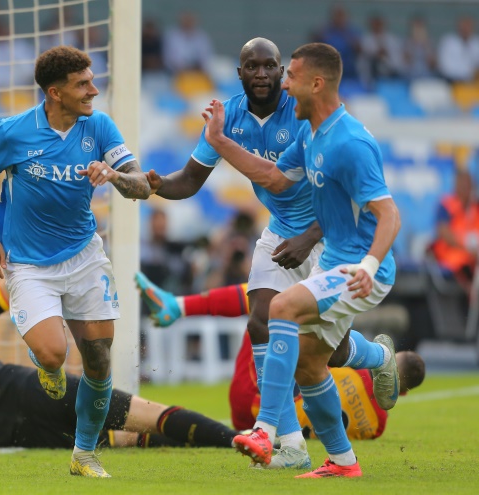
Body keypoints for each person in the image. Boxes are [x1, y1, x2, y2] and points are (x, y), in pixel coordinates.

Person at [141, 38, 397, 471]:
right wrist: (218, 141)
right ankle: (340, 459)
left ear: (313, 83)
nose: (280, 84)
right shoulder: (312, 134)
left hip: (357, 264)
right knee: (314, 363)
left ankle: (266, 429)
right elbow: (274, 179)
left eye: (287, 75)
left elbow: (388, 213)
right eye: (261, 70)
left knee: (281, 308)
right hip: (323, 249)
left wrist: (369, 265)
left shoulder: (350, 142)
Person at [0, 46, 150, 478]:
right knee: (52, 354)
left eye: (91, 80)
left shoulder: (99, 126)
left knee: (99, 358)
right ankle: (46, 366)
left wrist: (115, 176)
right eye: (82, 84)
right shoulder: (13, 132)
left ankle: (84, 453)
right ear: (55, 93)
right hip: (29, 264)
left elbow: (141, 186)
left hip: (85, 256)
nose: (93, 90)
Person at [0, 274, 241, 452]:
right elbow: (11, 288)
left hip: (1, 436)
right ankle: (238, 441)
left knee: (121, 440)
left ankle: (220, 442)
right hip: (27, 391)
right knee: (144, 415)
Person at [133, 273, 426, 438]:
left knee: (270, 298)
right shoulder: (377, 427)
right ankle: (339, 459)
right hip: (253, 421)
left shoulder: (357, 367)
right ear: (402, 394)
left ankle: (178, 306)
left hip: (259, 398)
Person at [430, 169, 479, 295]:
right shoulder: (447, 205)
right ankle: (469, 294)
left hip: (473, 255)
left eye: (468, 184)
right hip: (452, 253)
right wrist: (466, 246)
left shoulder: (475, 207)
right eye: (462, 183)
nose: (465, 187)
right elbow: (443, 232)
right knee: (462, 265)